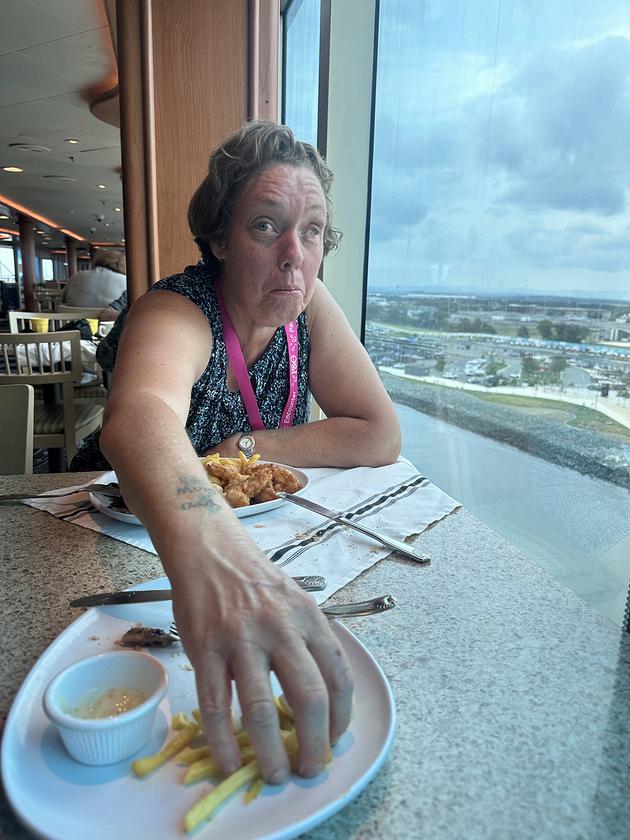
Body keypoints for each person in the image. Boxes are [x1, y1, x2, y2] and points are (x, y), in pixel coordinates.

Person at [99, 121, 401, 786]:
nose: (295, 254)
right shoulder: (178, 309)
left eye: (312, 231)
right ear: (219, 239)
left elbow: (379, 433)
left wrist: (246, 447)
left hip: (277, 552)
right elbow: (138, 417)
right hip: (136, 545)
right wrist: (221, 559)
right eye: (266, 226)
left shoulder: (306, 306)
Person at [61, 250, 126, 308]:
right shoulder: (125, 281)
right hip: (111, 317)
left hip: (73, 317)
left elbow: (62, 299)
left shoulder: (76, 276)